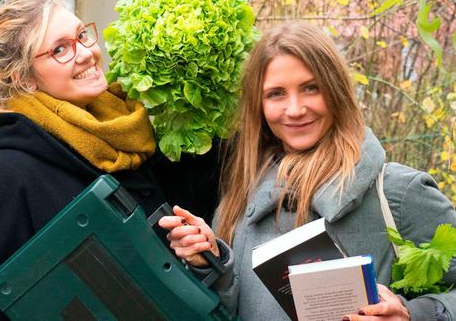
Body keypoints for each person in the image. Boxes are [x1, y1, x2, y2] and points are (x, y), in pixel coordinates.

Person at [0, 0, 221, 320]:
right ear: (25, 79)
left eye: (82, 36)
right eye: (60, 49)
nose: (86, 53)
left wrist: (196, 253)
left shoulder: (130, 138)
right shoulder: (10, 175)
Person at [159, 22, 456, 320]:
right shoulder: (241, 193)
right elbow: (232, 310)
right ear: (259, 105)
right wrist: (209, 260)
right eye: (276, 94)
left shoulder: (397, 192)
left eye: (311, 88)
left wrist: (412, 313)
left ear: (336, 90)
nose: (296, 108)